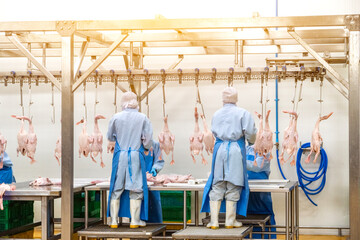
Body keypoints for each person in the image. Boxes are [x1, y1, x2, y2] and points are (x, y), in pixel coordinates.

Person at [201, 87, 257, 229]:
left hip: (219, 150)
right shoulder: (243, 113)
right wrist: (250, 142)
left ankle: (214, 221)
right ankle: (230, 221)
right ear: (236, 98)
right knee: (233, 184)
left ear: (223, 99)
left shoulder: (217, 114)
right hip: (235, 150)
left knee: (218, 183)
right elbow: (251, 133)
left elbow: (212, 133)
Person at [107, 91, 153, 229]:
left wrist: (119, 139)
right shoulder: (143, 118)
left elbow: (110, 136)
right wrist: (145, 146)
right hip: (135, 155)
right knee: (136, 188)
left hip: (120, 155)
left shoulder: (116, 117)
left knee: (116, 188)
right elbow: (148, 140)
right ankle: (135, 220)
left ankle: (114, 221)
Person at [246, 145, 276, 239]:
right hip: (246, 192)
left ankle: (268, 237)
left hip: (261, 195)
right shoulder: (245, 149)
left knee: (264, 215)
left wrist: (238, 160)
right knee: (246, 217)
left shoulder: (265, 150)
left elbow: (257, 166)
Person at [143, 141, 164, 223]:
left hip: (152, 181)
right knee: (137, 206)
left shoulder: (154, 145)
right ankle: (138, 234)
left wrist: (154, 170)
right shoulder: (133, 144)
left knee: (154, 207)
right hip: (137, 182)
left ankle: (157, 232)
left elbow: (159, 160)